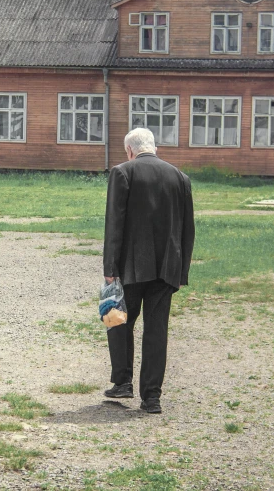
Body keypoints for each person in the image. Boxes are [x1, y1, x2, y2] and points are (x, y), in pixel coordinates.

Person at [102, 127, 195, 414]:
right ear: (155, 147)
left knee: (117, 320)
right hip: (167, 268)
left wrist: (110, 267)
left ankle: (122, 381)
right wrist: (182, 272)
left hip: (130, 268)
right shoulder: (180, 178)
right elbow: (187, 229)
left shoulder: (123, 172)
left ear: (130, 150)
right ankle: (151, 397)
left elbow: (114, 223)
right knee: (156, 331)